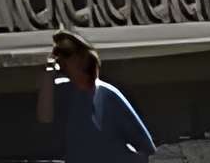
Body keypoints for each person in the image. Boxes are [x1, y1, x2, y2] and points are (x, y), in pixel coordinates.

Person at [39, 30, 154, 161]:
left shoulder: (108, 95)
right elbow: (45, 116)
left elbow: (145, 146)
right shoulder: (65, 90)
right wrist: (48, 71)